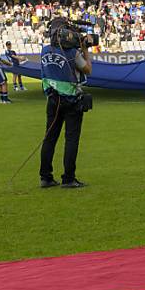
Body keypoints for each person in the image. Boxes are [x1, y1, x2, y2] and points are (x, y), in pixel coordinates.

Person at [39, 21, 92, 188]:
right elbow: (87, 69)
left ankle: (45, 177)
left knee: (49, 138)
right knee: (71, 139)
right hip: (71, 99)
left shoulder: (44, 50)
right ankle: (68, 178)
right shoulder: (72, 53)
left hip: (52, 99)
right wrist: (85, 50)